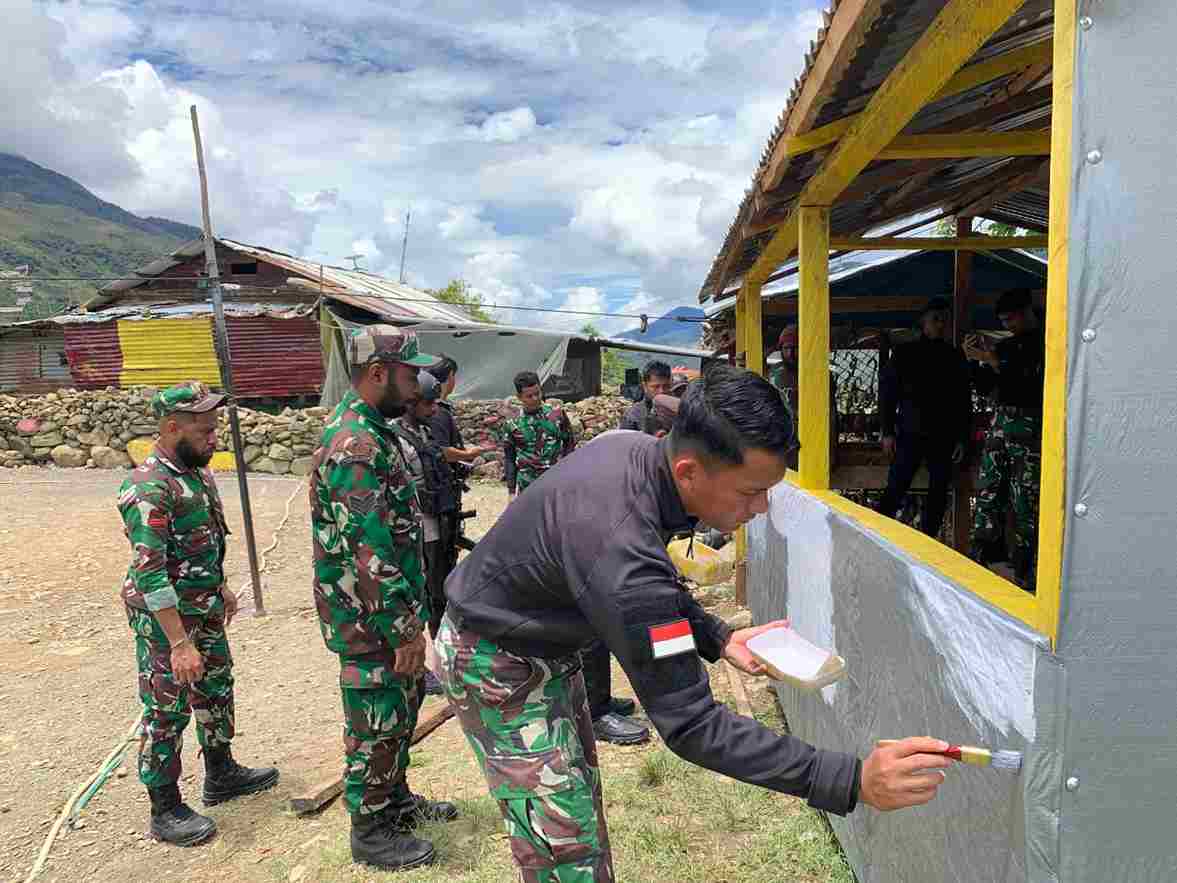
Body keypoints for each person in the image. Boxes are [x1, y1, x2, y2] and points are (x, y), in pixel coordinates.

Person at [437, 365, 952, 881]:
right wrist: (851, 779)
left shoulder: (640, 455)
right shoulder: (622, 552)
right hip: (496, 660)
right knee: (565, 850)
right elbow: (692, 724)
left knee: (574, 810)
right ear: (689, 471)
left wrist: (717, 635)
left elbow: (656, 583)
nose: (762, 507)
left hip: (542, 642)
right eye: (750, 491)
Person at [309, 327, 458, 872]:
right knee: (374, 718)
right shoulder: (356, 444)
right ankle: (370, 830)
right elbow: (367, 552)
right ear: (377, 374)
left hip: (386, 609)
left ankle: (393, 800)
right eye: (409, 373)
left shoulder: (375, 431)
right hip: (369, 617)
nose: (418, 383)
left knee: (398, 710)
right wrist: (403, 629)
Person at [117, 381, 278, 847]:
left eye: (214, 428)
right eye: (205, 430)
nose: (214, 438)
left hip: (202, 605)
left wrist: (220, 586)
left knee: (216, 687)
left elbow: (204, 540)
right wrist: (178, 642)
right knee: (166, 709)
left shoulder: (196, 473)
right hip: (167, 620)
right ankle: (164, 807)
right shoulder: (148, 486)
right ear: (172, 428)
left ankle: (221, 772)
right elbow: (150, 572)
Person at [963, 288, 1045, 589]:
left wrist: (992, 359)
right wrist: (974, 361)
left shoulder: (1045, 343)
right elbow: (988, 387)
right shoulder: (1007, 347)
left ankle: (1026, 570)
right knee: (989, 491)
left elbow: (1028, 382)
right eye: (1003, 321)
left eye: (1011, 319)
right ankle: (982, 555)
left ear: (1026, 313)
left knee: (1026, 499)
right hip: (1001, 424)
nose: (1008, 326)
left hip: (1030, 426)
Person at [876, 297, 972, 537]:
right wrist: (887, 432)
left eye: (944, 320)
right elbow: (888, 395)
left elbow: (963, 401)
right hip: (910, 433)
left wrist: (962, 438)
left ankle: (929, 543)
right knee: (895, 488)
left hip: (943, 436)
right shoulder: (904, 353)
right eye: (935, 319)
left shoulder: (954, 356)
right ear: (923, 322)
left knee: (938, 493)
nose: (940, 324)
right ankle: (875, 536)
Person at [425, 355, 492, 654]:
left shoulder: (433, 411)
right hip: (440, 505)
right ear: (449, 377)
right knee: (440, 573)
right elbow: (440, 452)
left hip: (442, 504)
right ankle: (442, 640)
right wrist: (467, 455)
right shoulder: (438, 413)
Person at [499, 370, 577, 499]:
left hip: (555, 485)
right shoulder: (512, 423)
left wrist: (567, 473)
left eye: (537, 393)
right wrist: (511, 492)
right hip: (527, 487)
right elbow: (509, 458)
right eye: (529, 396)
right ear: (519, 397)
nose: (535, 398)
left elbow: (569, 444)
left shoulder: (557, 415)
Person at [771, 324, 838, 471]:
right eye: (786, 348)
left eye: (796, 348)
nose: (791, 354)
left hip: (812, 442)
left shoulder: (821, 374)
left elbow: (830, 414)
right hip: (781, 444)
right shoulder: (774, 373)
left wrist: (831, 452)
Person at [618, 360, 673, 434]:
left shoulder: (678, 410)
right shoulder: (633, 415)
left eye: (666, 386)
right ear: (645, 386)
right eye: (655, 387)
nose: (661, 391)